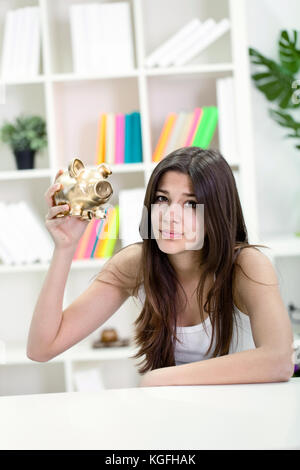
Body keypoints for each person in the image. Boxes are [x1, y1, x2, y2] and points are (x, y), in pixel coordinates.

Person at [27, 147, 295, 386]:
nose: (169, 216)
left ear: (216, 212)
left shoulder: (246, 265)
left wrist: (161, 378)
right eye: (162, 199)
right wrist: (65, 247)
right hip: (173, 416)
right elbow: (42, 348)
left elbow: (279, 360)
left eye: (190, 204)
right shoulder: (137, 264)